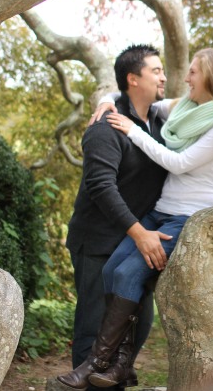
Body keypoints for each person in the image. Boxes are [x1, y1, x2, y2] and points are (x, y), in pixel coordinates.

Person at [71, 48, 213, 389]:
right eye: (157, 70)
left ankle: (116, 369)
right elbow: (101, 185)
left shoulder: (194, 122)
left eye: (192, 72)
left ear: (211, 77)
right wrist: (106, 100)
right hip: (108, 234)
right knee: (95, 315)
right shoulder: (132, 121)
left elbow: (178, 162)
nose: (177, 77)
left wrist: (132, 129)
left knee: (136, 306)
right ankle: (96, 373)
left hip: (164, 224)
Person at [59, 44, 172, 390]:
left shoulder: (159, 120)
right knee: (95, 329)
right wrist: (140, 233)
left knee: (139, 325)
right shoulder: (104, 126)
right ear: (133, 79)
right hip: (98, 242)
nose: (163, 76)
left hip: (134, 243)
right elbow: (100, 187)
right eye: (155, 71)